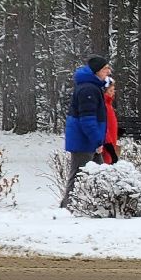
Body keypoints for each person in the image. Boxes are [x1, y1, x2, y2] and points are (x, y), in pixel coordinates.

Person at [60, 56, 110, 209]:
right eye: (105, 68)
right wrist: (97, 140)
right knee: (78, 176)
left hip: (89, 140)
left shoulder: (92, 87)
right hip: (84, 141)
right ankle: (67, 208)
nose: (108, 71)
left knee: (100, 174)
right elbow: (87, 119)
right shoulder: (88, 89)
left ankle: (93, 207)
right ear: (97, 71)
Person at [98, 77, 121, 166]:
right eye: (110, 90)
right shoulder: (104, 105)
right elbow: (104, 127)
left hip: (110, 142)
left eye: (113, 90)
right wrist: (109, 147)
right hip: (106, 145)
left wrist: (117, 130)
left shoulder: (109, 105)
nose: (113, 93)